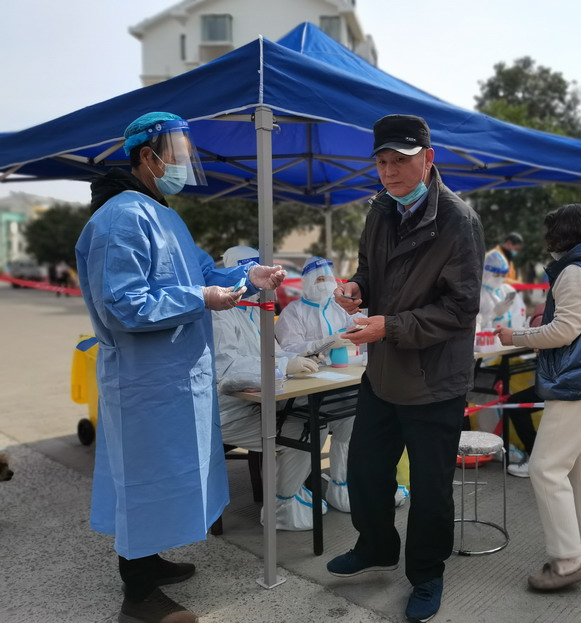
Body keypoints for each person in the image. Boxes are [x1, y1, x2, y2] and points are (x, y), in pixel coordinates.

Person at [75, 112, 286, 623]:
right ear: (148, 157)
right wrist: (201, 298)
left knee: (165, 479)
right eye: (179, 152)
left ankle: (149, 561)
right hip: (143, 381)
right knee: (142, 481)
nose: (185, 163)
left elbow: (203, 271)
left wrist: (248, 274)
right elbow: (123, 305)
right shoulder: (122, 217)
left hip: (171, 379)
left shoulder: (161, 213)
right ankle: (138, 596)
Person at [326, 114, 485, 623]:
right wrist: (356, 289)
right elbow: (371, 272)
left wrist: (389, 327)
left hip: (435, 379)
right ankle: (376, 545)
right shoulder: (380, 210)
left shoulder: (458, 221)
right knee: (364, 470)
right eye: (382, 161)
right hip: (383, 371)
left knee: (430, 489)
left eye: (401, 160)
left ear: (428, 159)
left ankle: (427, 573)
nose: (390, 171)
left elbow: (460, 309)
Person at [494, 203, 581, 591]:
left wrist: (517, 336)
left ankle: (568, 561)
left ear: (559, 235)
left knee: (545, 468)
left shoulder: (575, 271)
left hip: (578, 384)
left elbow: (564, 331)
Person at [212, 245, 338, 531]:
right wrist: (284, 366)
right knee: (306, 429)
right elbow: (227, 369)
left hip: (259, 403)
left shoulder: (255, 311)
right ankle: (281, 505)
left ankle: (288, 492)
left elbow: (275, 352)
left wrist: (301, 357)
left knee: (314, 420)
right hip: (228, 412)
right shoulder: (220, 313)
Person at [277, 256, 411, 512]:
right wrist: (326, 342)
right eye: (318, 278)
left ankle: (346, 485)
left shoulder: (340, 309)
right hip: (308, 390)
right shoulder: (294, 312)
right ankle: (338, 486)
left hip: (343, 384)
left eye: (328, 277)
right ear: (306, 282)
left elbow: (361, 329)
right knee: (345, 420)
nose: (324, 283)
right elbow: (289, 350)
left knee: (358, 422)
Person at [478, 248, 526, 329]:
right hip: (488, 336)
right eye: (496, 275)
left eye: (503, 275)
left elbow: (520, 313)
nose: (500, 278)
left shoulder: (507, 290)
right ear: (486, 272)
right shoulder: (478, 295)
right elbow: (474, 326)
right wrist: (494, 314)